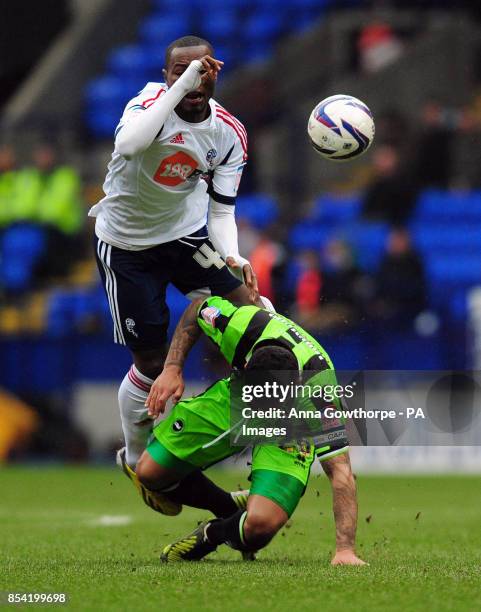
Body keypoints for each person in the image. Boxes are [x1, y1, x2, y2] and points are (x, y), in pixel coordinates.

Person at [88, 36, 267, 511]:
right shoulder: (147, 104)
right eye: (178, 70)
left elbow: (223, 209)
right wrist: (183, 83)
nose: (189, 78)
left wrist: (233, 256)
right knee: (150, 363)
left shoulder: (228, 132)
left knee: (256, 314)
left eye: (200, 70)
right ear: (166, 75)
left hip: (185, 237)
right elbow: (128, 145)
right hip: (126, 246)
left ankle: (266, 443)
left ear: (215, 74)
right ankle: (136, 456)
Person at [136, 296, 365, 565]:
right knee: (149, 472)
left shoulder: (319, 390)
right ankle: (228, 507)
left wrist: (345, 549)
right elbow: (197, 308)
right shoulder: (240, 326)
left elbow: (340, 471)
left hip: (290, 425)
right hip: (235, 399)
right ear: (245, 367)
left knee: (259, 526)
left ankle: (213, 533)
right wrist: (172, 368)